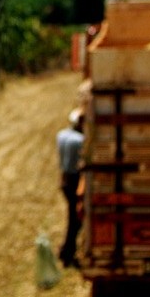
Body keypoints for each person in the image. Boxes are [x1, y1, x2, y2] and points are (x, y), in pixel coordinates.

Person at [56, 108, 85, 268]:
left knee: (72, 216)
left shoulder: (61, 135)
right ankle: (67, 251)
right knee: (75, 218)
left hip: (64, 178)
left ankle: (67, 250)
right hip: (75, 180)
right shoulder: (80, 140)